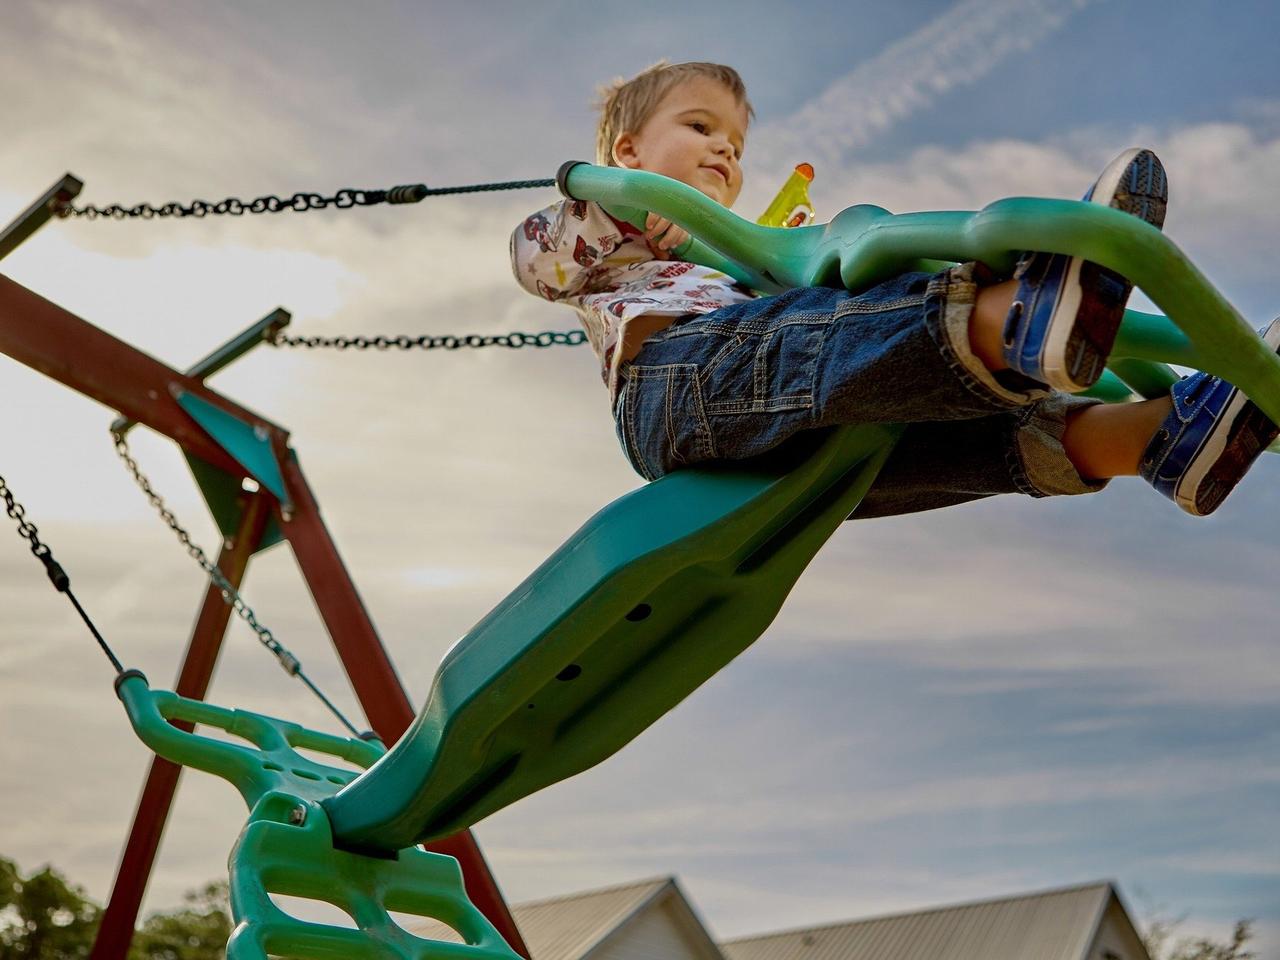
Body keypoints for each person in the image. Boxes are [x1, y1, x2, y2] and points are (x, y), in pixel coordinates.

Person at [511, 61, 1279, 518]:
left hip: (778, 438)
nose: (723, 149)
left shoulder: (729, 255)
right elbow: (534, 258)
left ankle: (1159, 439)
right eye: (701, 126)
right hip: (674, 396)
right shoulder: (599, 232)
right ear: (627, 151)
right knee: (823, 329)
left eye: (736, 145)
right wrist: (614, 202)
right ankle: (1013, 316)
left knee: (932, 438)